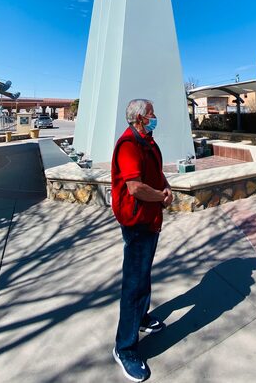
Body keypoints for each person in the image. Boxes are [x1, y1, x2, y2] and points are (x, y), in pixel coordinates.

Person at [111, 98, 173, 382]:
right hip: (137, 221)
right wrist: (161, 197)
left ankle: (142, 317)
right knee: (134, 283)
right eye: (151, 113)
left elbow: (157, 174)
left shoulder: (148, 142)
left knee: (144, 274)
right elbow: (135, 187)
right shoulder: (128, 145)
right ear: (139, 118)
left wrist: (167, 188)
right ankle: (125, 348)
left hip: (150, 219)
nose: (154, 117)